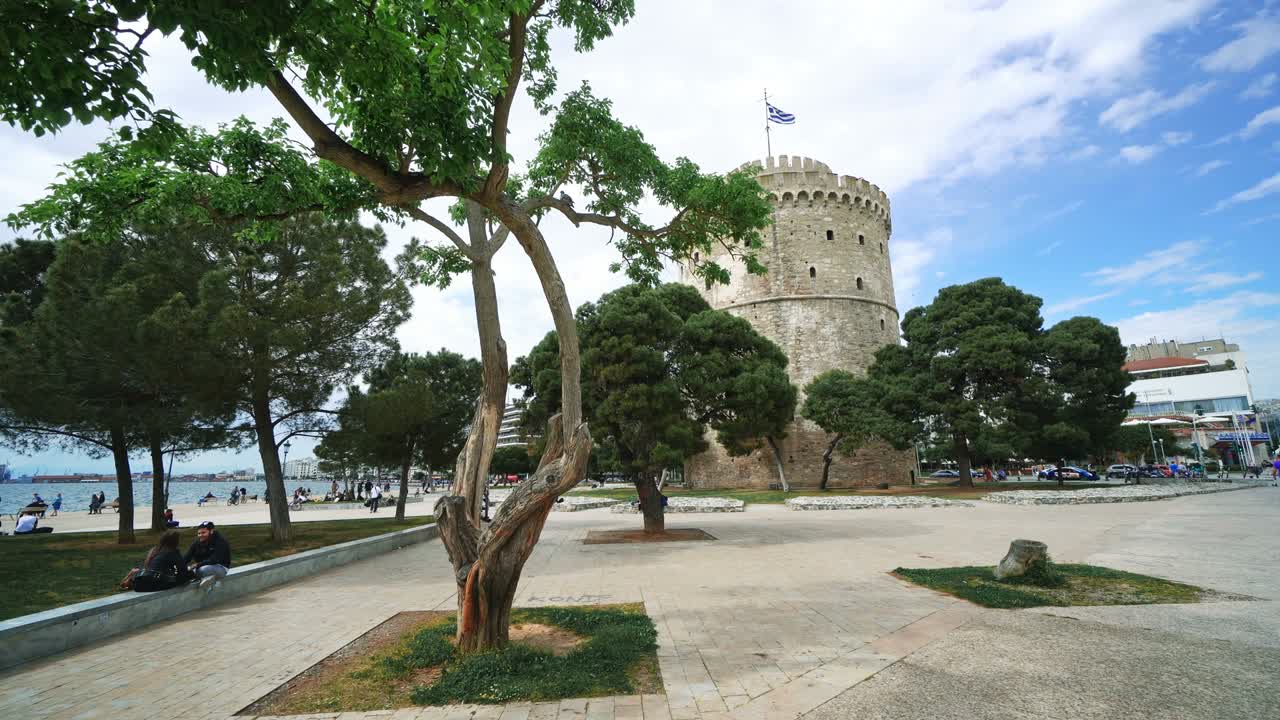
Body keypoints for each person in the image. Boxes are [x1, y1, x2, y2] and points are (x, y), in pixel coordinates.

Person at [184, 521, 232, 590]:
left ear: (211, 531)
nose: (200, 535)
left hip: (221, 567)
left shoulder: (220, 541)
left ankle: (212, 582)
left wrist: (197, 565)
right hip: (202, 566)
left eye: (203, 533)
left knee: (202, 570)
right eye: (199, 533)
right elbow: (187, 557)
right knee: (187, 571)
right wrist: (180, 565)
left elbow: (215, 559)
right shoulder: (197, 542)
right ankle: (208, 580)